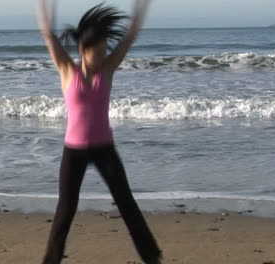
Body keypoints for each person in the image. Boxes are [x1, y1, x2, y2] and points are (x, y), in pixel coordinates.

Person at [37, 1, 162, 263]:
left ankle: (152, 257)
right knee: (65, 209)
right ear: (83, 50)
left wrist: (137, 18)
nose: (104, 56)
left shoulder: (106, 71)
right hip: (74, 151)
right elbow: (48, 36)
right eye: (99, 51)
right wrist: (45, 12)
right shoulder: (67, 71)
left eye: (106, 51)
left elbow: (127, 41)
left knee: (126, 203)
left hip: (105, 150)